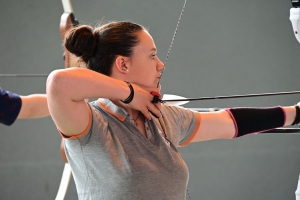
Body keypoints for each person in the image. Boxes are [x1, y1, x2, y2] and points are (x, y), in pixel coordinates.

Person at [46, 21, 299, 200]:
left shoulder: (161, 117)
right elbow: (59, 83)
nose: (161, 65)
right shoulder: (91, 125)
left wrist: (296, 113)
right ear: (123, 63)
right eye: (152, 56)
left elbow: (231, 122)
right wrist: (130, 93)